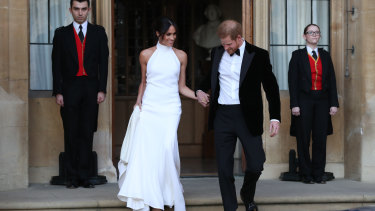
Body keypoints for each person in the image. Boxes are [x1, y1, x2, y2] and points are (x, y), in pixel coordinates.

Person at [196, 20, 281, 211]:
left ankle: (247, 193)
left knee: (256, 164)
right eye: (223, 44)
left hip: (247, 116)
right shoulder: (217, 52)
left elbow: (271, 88)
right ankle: (230, 208)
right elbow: (207, 79)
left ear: (239, 38)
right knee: (224, 169)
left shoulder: (259, 55)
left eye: (229, 44)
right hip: (222, 116)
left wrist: (275, 117)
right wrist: (199, 91)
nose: (225, 48)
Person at [117, 17, 196, 211]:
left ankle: (168, 193)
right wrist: (138, 102)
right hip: (150, 107)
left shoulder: (181, 56)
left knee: (168, 149)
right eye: (168, 34)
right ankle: (153, 199)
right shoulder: (145, 55)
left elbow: (182, 87)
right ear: (158, 34)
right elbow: (144, 81)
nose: (172, 38)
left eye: (174, 34)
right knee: (151, 153)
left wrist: (199, 96)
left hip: (171, 109)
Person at [52, 0, 109, 189]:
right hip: (69, 89)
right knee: (70, 132)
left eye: (84, 9)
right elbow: (56, 65)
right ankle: (72, 177)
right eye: (76, 9)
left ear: (89, 10)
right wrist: (58, 91)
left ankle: (85, 176)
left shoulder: (99, 33)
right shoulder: (61, 34)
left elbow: (104, 62)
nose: (80, 13)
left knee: (86, 132)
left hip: (91, 89)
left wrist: (102, 89)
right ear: (70, 10)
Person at [288, 24, 339, 184]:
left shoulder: (325, 55)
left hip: (323, 101)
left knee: (320, 138)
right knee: (303, 138)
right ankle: (306, 174)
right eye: (311, 32)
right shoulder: (297, 55)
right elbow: (292, 82)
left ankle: (318, 174)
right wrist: (294, 104)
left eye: (317, 32)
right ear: (305, 36)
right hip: (304, 101)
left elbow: (331, 80)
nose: (314, 35)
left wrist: (334, 103)